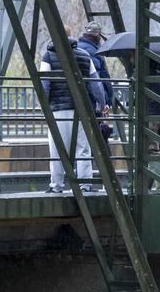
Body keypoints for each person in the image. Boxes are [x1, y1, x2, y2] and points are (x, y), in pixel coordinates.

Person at [41, 28, 106, 193]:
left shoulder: (48, 56)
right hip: (81, 110)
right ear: (71, 37)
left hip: (58, 109)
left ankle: (57, 185)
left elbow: (44, 84)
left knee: (57, 148)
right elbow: (96, 83)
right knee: (83, 148)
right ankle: (85, 184)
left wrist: (45, 107)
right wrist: (102, 103)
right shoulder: (84, 55)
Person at [76, 21, 113, 115]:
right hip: (91, 100)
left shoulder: (78, 47)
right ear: (97, 36)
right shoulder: (92, 52)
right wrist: (104, 101)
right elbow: (96, 80)